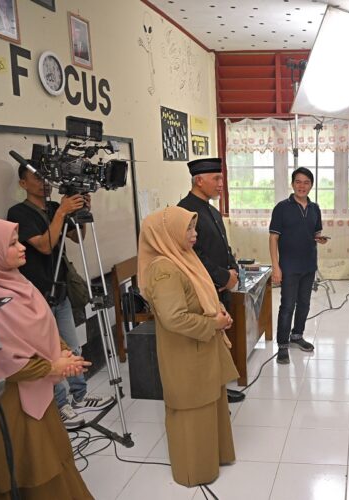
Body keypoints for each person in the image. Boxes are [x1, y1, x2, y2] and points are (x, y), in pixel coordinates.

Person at [0, 219, 92, 499]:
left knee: (54, 458)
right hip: (9, 402)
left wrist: (61, 351)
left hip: (38, 391)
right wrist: (53, 366)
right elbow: (0, 356)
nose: (21, 248)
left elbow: (42, 327)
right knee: (32, 469)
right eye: (11, 243)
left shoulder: (15, 282)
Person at [138, 206, 239, 486]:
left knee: (209, 405)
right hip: (185, 352)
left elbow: (203, 295)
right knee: (192, 409)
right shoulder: (164, 269)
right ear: (167, 234)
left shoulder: (183, 257)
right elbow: (174, 318)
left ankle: (213, 457)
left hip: (201, 347)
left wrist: (219, 313)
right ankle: (195, 470)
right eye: (188, 229)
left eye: (194, 228)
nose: (195, 235)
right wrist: (213, 324)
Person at [7, 166, 113, 429]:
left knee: (73, 348)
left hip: (61, 288)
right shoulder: (19, 213)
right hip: (37, 292)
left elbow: (77, 237)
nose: (44, 183)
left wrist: (79, 212)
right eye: (36, 178)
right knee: (48, 353)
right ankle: (61, 404)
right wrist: (63, 211)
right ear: (23, 183)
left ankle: (81, 395)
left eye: (46, 178)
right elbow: (44, 245)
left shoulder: (55, 206)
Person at [178, 157, 244, 403]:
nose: (220, 184)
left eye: (221, 178)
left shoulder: (211, 209)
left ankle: (219, 390)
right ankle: (209, 396)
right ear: (199, 180)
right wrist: (223, 276)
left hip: (220, 285)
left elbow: (224, 248)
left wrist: (233, 270)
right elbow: (193, 254)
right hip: (204, 288)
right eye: (216, 178)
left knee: (219, 341)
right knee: (205, 344)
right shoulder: (185, 211)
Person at [269, 167, 328, 365]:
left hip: (309, 264)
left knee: (304, 303)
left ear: (311, 185)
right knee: (287, 305)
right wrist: (275, 267)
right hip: (288, 265)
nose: (302, 186)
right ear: (292, 184)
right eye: (298, 182)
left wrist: (319, 239)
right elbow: (273, 238)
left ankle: (297, 335)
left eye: (306, 182)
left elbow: (314, 233)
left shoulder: (315, 208)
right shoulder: (282, 208)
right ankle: (283, 345)